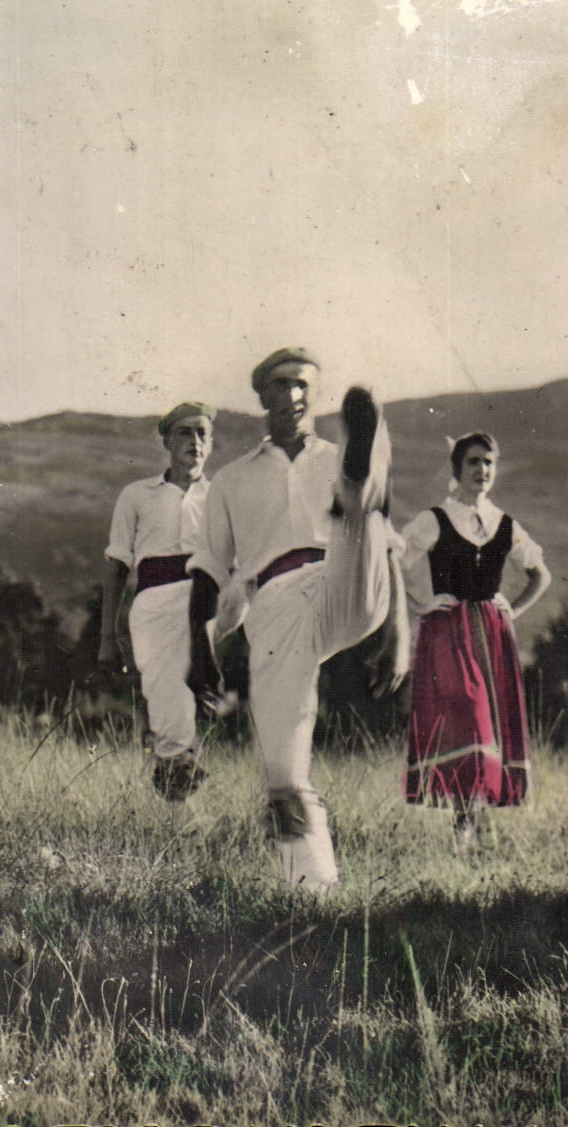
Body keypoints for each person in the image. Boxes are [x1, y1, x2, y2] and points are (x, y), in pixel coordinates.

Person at [185, 347, 409, 892]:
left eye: (304, 385)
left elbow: (390, 553)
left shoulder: (332, 454)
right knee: (281, 769)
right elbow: (209, 572)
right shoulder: (231, 482)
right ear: (262, 395)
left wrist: (401, 633)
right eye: (282, 385)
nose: (294, 395)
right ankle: (312, 890)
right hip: (275, 604)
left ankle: (361, 479)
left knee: (360, 520)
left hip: (342, 578)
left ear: (315, 393)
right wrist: (200, 647)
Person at [399, 432, 550, 852]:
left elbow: (541, 574)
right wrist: (424, 603)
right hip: (447, 633)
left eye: (488, 463)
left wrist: (512, 609)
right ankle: (466, 825)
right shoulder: (435, 519)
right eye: (473, 462)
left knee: (489, 728)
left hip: (493, 634)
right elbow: (399, 560)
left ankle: (473, 827)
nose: (482, 470)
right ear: (457, 469)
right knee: (470, 719)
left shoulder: (505, 524)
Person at [99, 401, 218, 800]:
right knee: (168, 690)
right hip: (154, 606)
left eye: (202, 433)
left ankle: (176, 770)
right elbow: (117, 565)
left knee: (196, 693)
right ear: (167, 441)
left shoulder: (221, 499)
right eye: (185, 432)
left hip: (209, 604)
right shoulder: (138, 496)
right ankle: (176, 778)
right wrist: (107, 637)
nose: (195, 442)